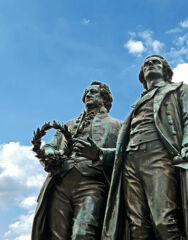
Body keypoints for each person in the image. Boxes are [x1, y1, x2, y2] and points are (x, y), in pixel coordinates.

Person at [79, 55, 188, 239]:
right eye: (146, 63)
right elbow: (123, 147)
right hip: (131, 162)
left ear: (165, 70)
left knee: (164, 220)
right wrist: (100, 153)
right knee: (137, 226)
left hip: (159, 156)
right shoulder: (136, 106)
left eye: (156, 62)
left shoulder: (180, 89)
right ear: (142, 74)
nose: (150, 64)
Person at [31, 81, 122, 240]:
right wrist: (50, 153)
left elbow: (127, 155)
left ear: (104, 99)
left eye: (93, 92)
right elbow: (50, 146)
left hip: (92, 184)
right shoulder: (68, 125)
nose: (88, 95)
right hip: (60, 183)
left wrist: (99, 153)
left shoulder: (117, 125)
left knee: (82, 234)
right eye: (87, 92)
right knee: (56, 235)